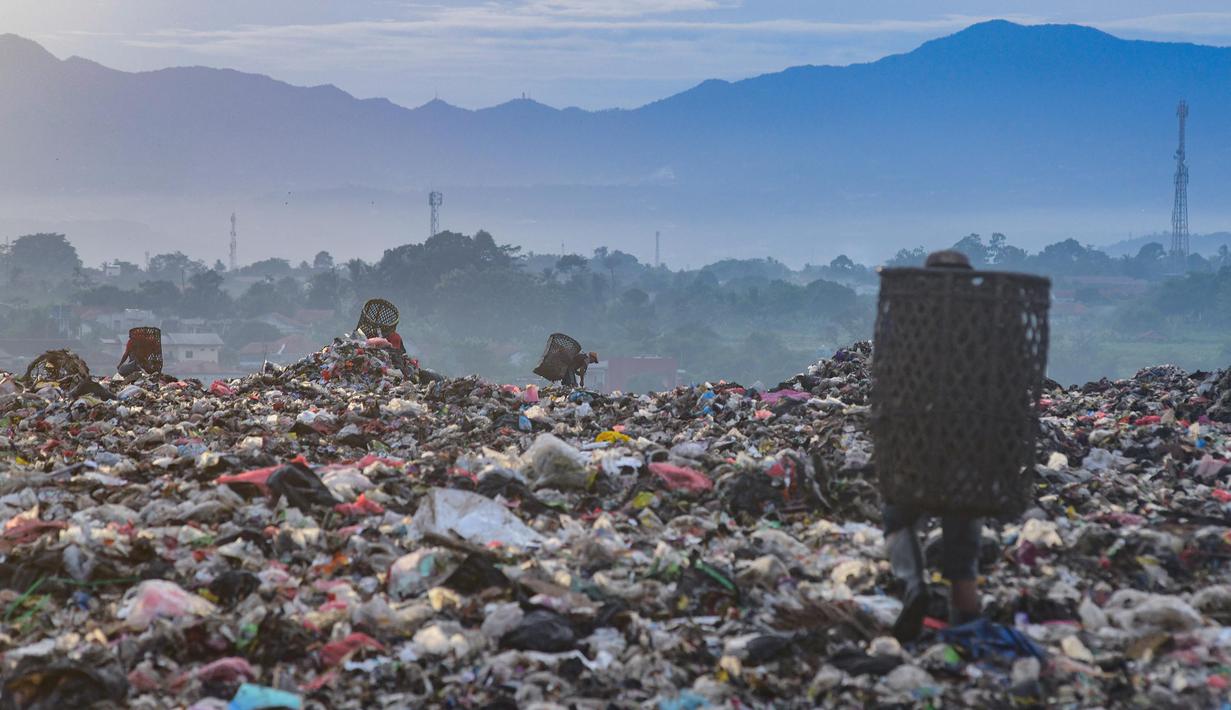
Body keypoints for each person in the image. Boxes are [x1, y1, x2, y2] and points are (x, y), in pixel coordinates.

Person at [884, 249, 984, 642]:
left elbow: (889, 373)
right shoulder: (990, 319)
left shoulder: (907, 319)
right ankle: (968, 631)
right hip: (975, 442)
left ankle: (913, 584)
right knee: (963, 535)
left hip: (917, 439)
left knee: (898, 513)